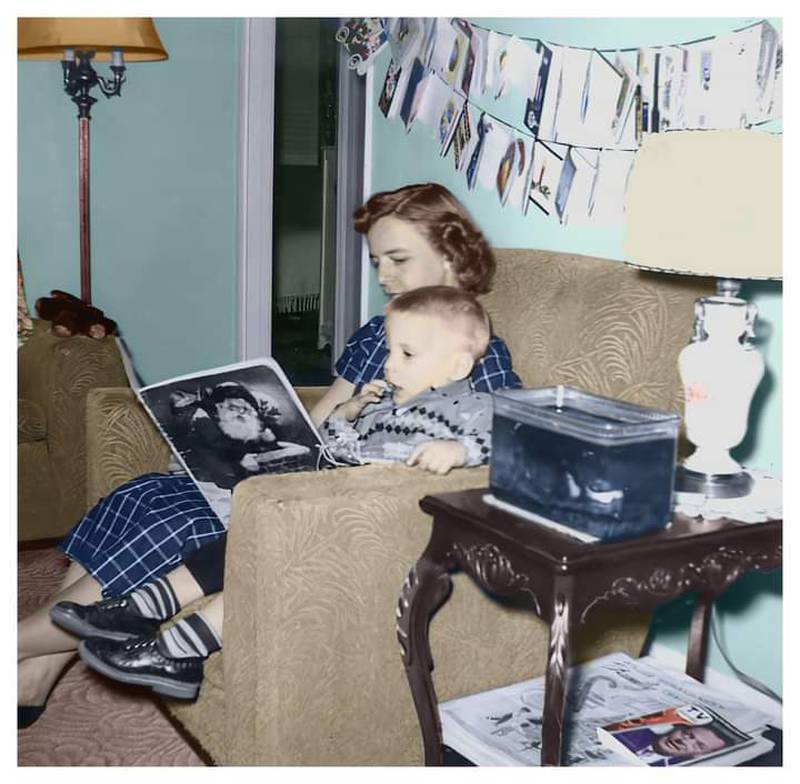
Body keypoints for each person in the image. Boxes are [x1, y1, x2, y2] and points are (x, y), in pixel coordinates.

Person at [18, 182, 520, 726]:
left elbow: (504, 428)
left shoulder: (472, 351)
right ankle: (38, 673)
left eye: (398, 260)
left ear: (450, 253)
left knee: (174, 519)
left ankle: (18, 646)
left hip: (336, 494)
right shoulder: (380, 331)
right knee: (144, 491)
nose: (383, 278)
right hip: (310, 460)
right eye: (377, 262)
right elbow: (329, 407)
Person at [69, 285, 496, 700]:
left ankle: (179, 650)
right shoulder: (382, 407)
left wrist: (460, 450)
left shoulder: (475, 408)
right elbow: (335, 453)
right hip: (338, 507)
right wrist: (346, 416)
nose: (388, 367)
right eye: (389, 351)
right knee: (247, 537)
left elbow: (522, 439)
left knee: (280, 552)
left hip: (394, 531)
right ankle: (142, 607)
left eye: (406, 355)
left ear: (458, 367)